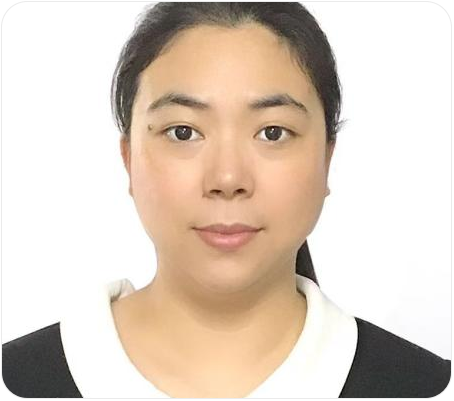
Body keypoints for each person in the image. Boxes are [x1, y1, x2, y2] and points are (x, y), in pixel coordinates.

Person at [2, 2, 451, 398]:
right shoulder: (19, 379)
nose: (228, 178)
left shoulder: (422, 387)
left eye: (272, 132)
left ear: (326, 159)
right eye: (183, 132)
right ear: (129, 159)